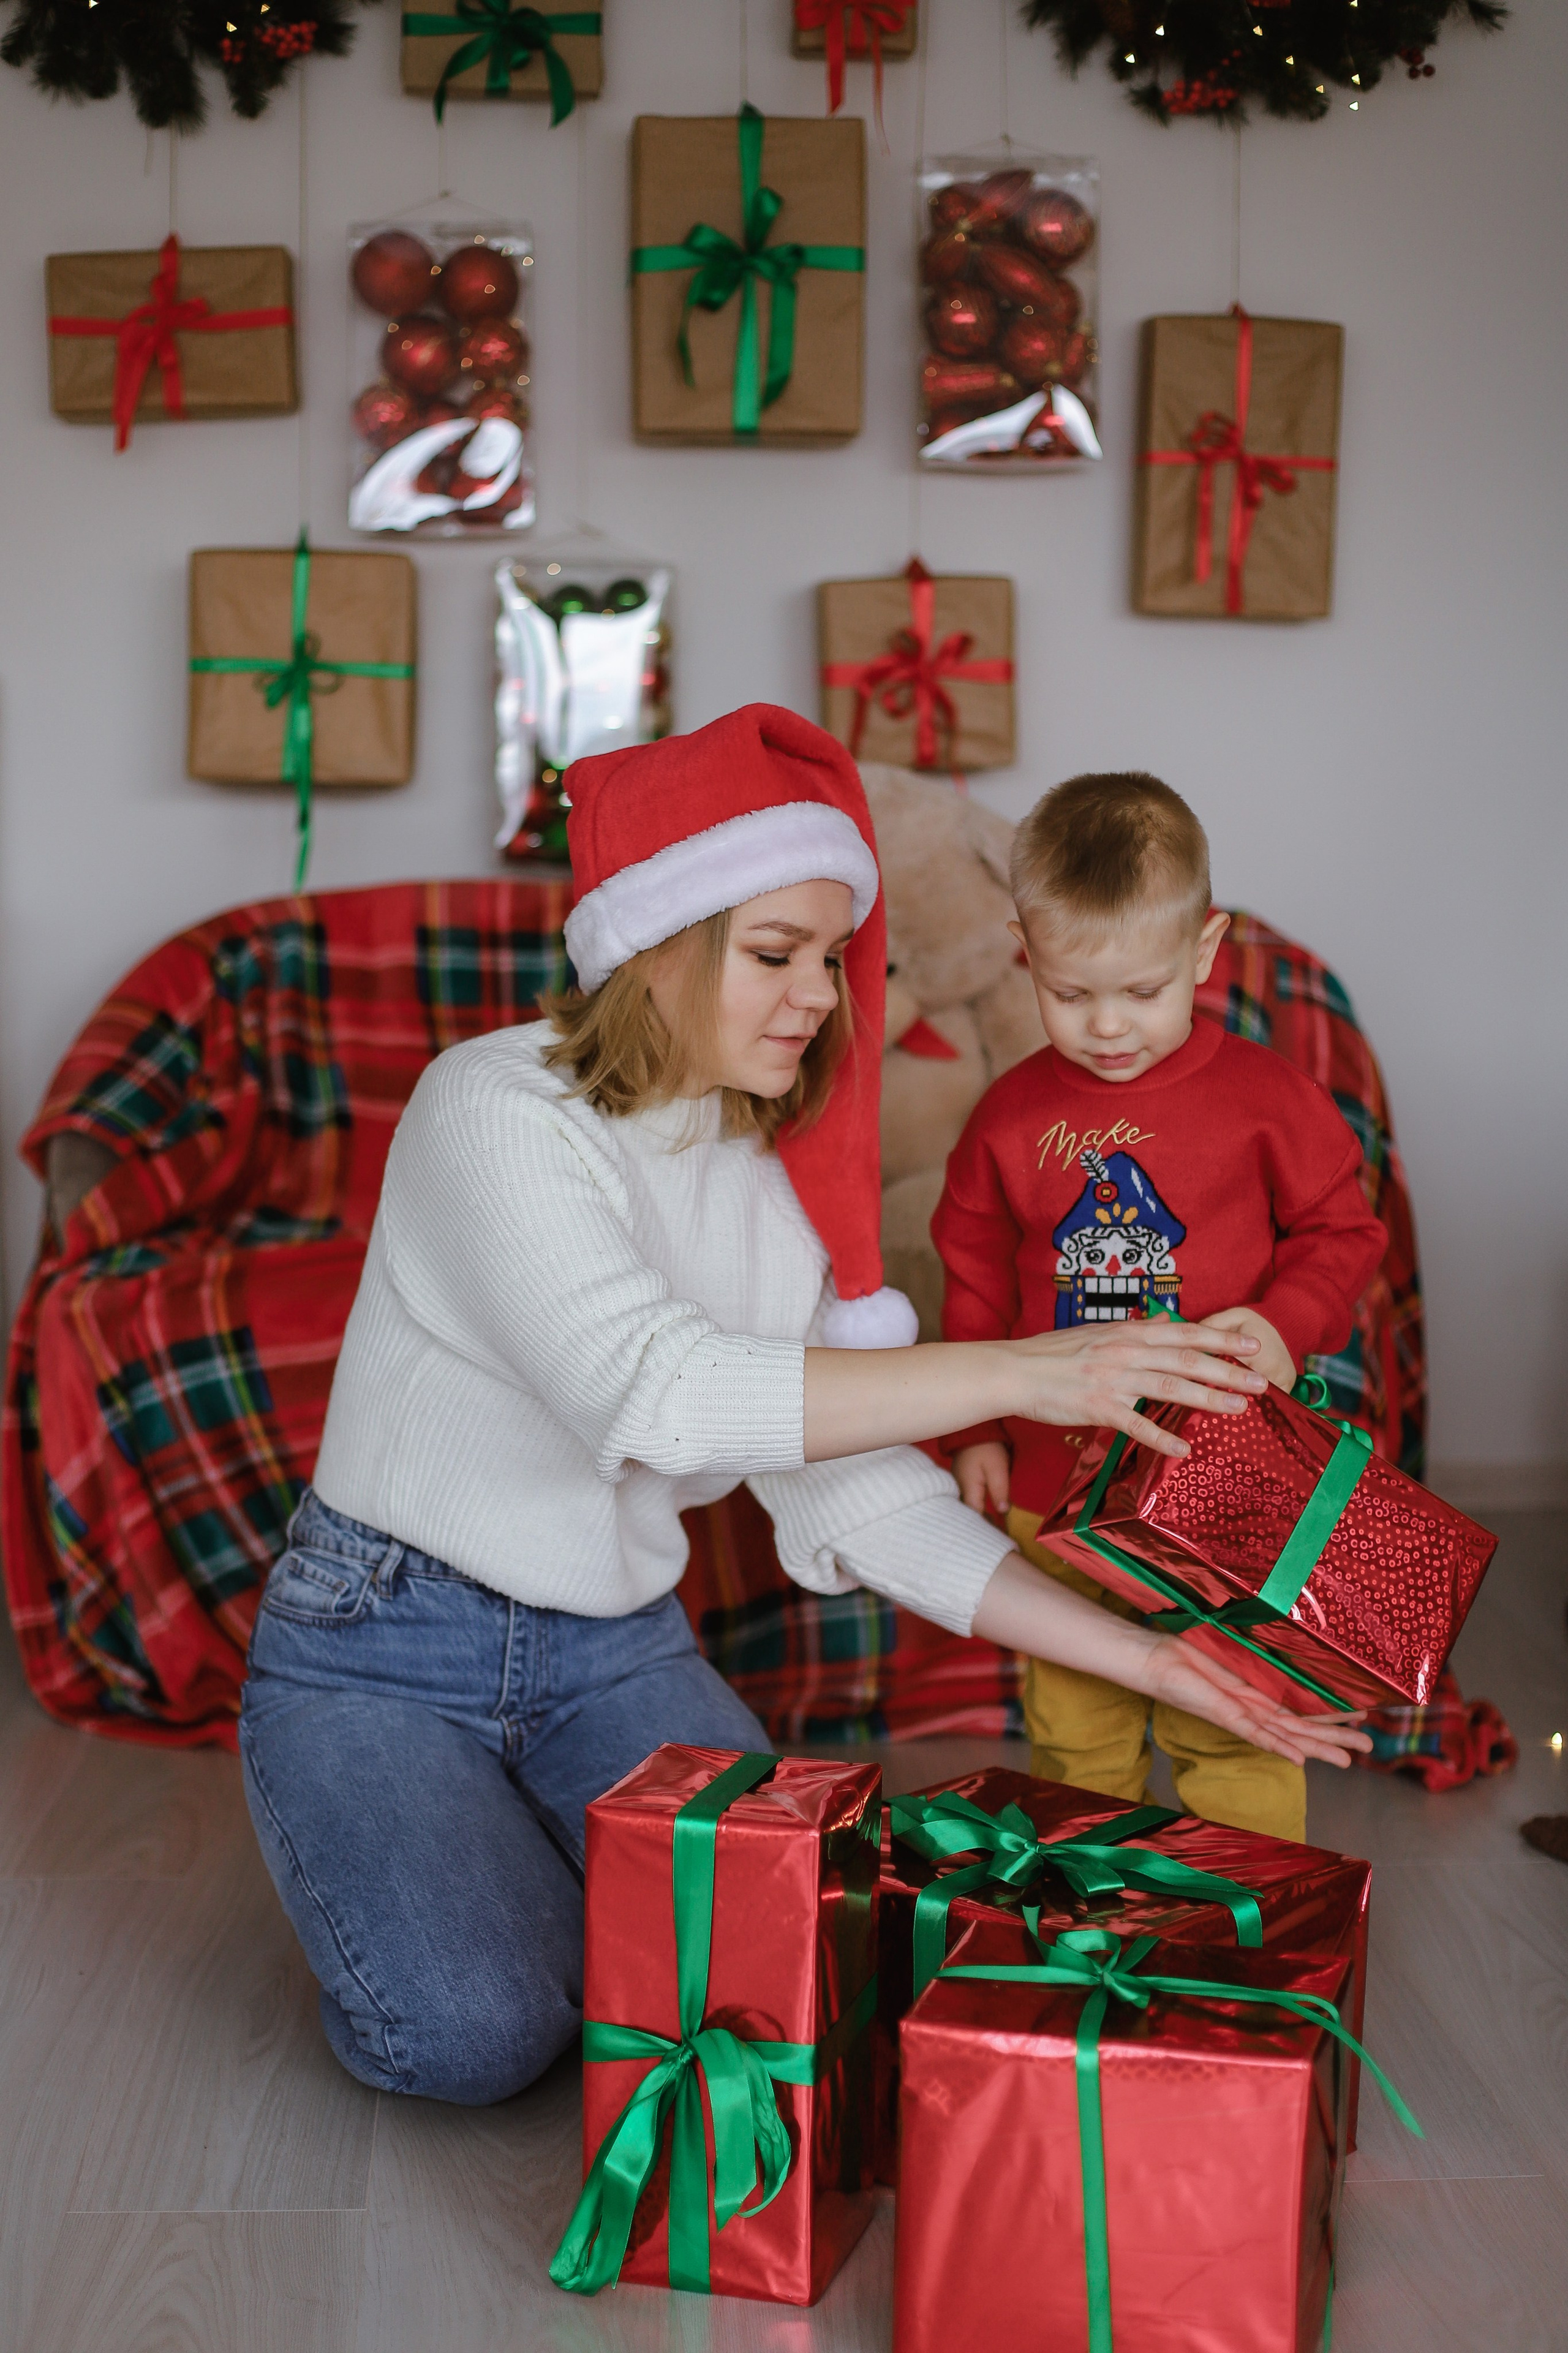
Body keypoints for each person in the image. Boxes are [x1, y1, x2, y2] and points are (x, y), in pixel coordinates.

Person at [238, 709, 1369, 2107]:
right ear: (654, 944)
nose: (822, 997)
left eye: (831, 957)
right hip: (381, 1647)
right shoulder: (491, 1107)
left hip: (612, 1647)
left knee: (810, 1955)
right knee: (477, 2037)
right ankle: (435, 1848)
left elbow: (861, 1493)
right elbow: (656, 1397)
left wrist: (1154, 1666)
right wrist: (1030, 1369)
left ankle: (545, 1869)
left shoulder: (753, 1178)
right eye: (775, 954)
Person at [934, 770, 1387, 1844]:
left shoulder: (1268, 1099)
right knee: (1077, 1728)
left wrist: (1284, 1323)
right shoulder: (1008, 1118)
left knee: (1234, 1724)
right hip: (1059, 1488)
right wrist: (976, 1430)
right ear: (1024, 951)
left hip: (1225, 1483)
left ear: (1203, 949)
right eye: (1069, 992)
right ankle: (1106, 1924)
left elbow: (1344, 1233)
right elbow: (974, 1278)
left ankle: (1248, 1918)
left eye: (1140, 992)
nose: (1104, 1027)